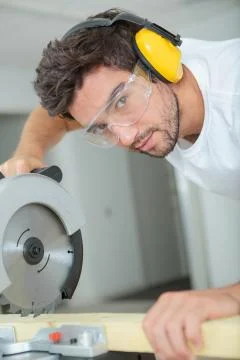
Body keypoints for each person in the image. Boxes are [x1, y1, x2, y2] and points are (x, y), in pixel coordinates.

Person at [1, 8, 239, 360]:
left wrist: (229, 296)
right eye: (101, 127)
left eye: (122, 101)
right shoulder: (147, 94)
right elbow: (55, 118)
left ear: (161, 61)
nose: (125, 137)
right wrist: (28, 151)